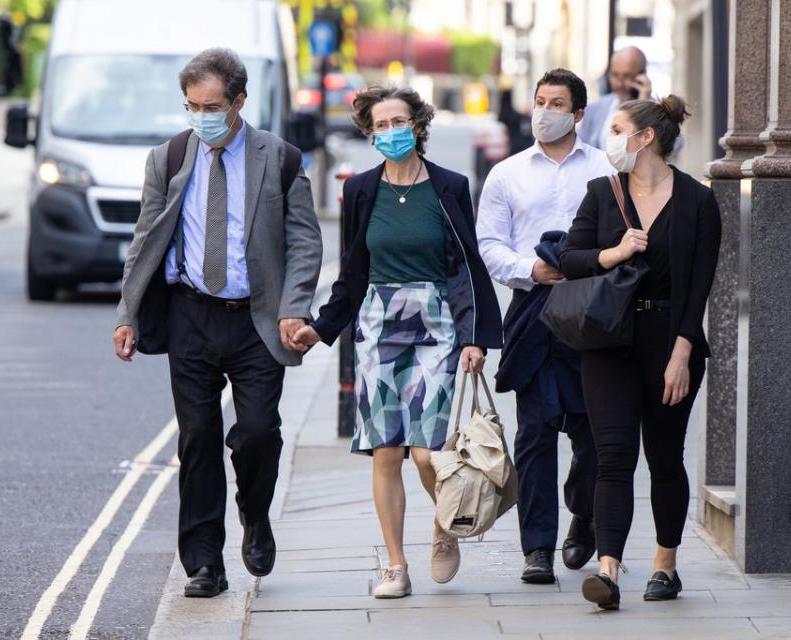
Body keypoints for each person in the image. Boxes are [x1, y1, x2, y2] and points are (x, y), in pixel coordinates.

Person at [112, 48, 323, 598]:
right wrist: (128, 312)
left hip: (256, 320)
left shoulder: (280, 158)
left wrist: (294, 307)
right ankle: (204, 562)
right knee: (198, 438)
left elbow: (304, 241)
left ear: (238, 102)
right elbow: (144, 238)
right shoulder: (169, 157)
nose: (201, 115)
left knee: (257, 433)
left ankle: (255, 516)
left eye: (211, 105)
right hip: (190, 315)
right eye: (191, 105)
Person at [291, 85, 502, 598]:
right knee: (386, 452)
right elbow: (352, 274)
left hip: (437, 326)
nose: (390, 132)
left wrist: (474, 337)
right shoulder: (360, 189)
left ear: (419, 125)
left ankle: (443, 526)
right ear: (369, 131)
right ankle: (394, 565)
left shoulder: (450, 186)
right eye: (380, 125)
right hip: (378, 326)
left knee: (430, 454)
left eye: (398, 122)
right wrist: (319, 328)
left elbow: (467, 269)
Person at [559, 95, 721, 610]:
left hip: (669, 341)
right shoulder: (601, 193)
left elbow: (700, 288)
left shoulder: (698, 201)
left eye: (617, 130)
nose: (609, 140)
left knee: (666, 458)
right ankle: (607, 571)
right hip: (609, 341)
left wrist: (682, 353)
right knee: (612, 458)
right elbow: (570, 258)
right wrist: (617, 252)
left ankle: (664, 565)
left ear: (646, 137)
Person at [476, 68, 613, 584]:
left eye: (557, 104)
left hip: (591, 310)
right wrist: (528, 269)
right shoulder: (507, 173)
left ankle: (585, 514)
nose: (544, 112)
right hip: (532, 310)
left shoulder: (605, 170)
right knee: (534, 432)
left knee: (593, 431)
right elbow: (488, 243)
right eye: (539, 101)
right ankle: (537, 547)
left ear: (578, 114)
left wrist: (586, 263)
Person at [578, 46, 651, 150]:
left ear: (642, 76)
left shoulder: (658, 110)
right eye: (615, 75)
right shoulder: (594, 108)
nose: (619, 83)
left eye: (626, 76)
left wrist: (644, 106)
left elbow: (672, 148)